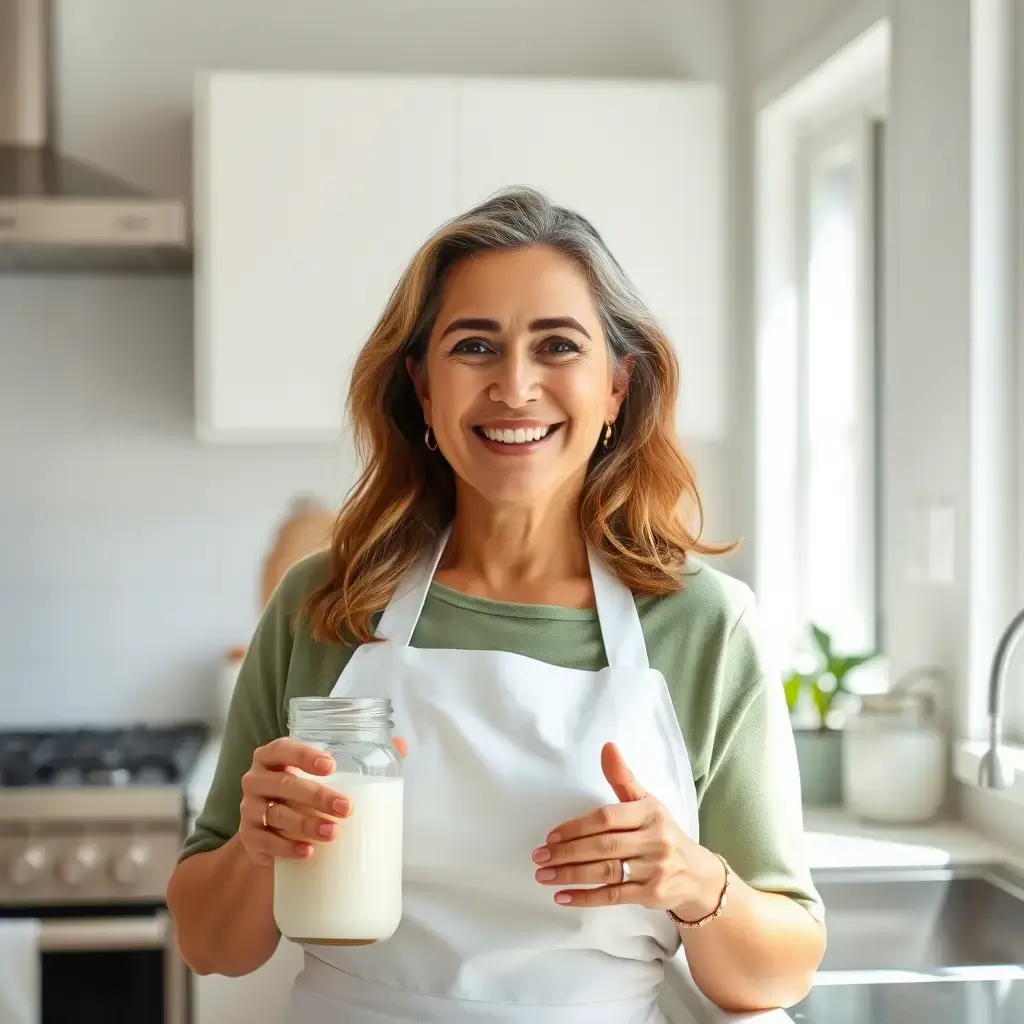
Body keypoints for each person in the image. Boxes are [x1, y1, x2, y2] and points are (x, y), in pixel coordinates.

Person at [167, 186, 826, 1023]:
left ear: (619, 385)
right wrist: (259, 846)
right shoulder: (326, 603)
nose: (516, 386)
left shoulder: (701, 623)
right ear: (422, 386)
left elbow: (779, 973)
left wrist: (695, 882)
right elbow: (212, 947)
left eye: (557, 346)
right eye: (474, 346)